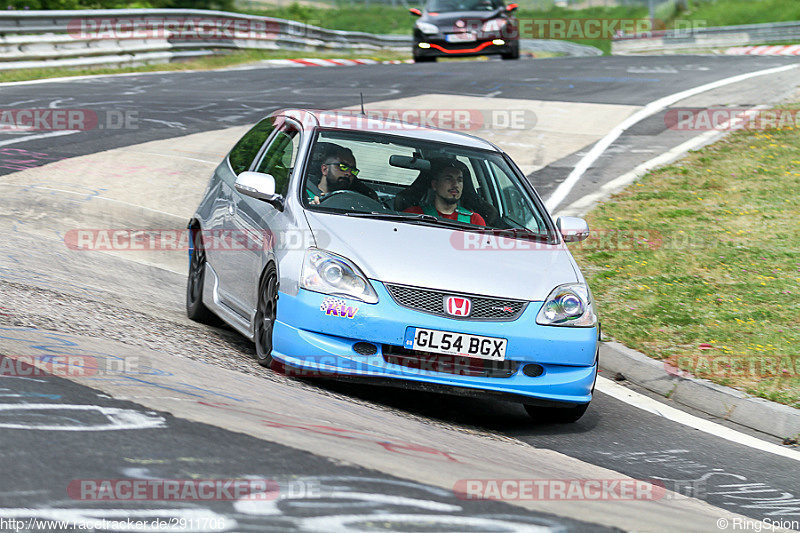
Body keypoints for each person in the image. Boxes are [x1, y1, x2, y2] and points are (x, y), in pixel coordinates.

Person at [403, 159, 486, 226]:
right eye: (449, 179)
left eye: (459, 180)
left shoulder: (475, 221)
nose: (455, 185)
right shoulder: (413, 215)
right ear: (435, 185)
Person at [306, 144, 378, 204]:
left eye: (353, 170)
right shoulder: (302, 195)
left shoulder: (357, 201)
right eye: (343, 167)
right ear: (325, 169)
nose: (349, 173)